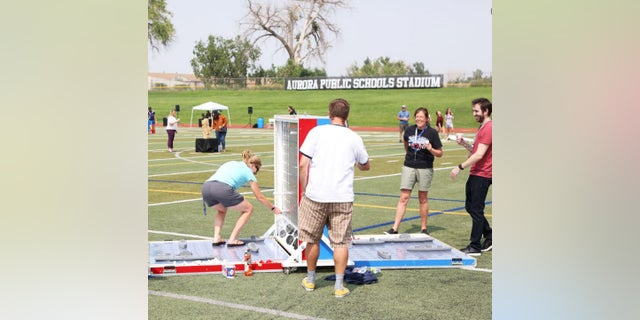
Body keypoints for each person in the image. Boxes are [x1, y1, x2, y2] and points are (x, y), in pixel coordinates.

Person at [298, 98, 370, 299]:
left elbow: (303, 165)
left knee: (311, 239)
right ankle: (339, 286)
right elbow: (365, 164)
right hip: (342, 197)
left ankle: (311, 280)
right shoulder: (354, 137)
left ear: (329, 114)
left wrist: (305, 190)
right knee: (340, 242)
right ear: (347, 117)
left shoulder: (317, 132)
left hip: (316, 195)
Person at [201, 150, 282, 247]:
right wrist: (273, 208)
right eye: (257, 169)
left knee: (222, 210)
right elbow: (259, 197)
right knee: (249, 209)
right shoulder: (249, 172)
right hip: (221, 188)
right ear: (252, 165)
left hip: (206, 187)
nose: (256, 173)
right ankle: (233, 239)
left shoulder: (232, 163)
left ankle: (216, 238)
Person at [385, 107, 443, 235]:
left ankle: (423, 228)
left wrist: (431, 149)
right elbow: (406, 145)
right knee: (403, 197)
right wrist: (411, 156)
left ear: (427, 119)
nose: (419, 119)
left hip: (425, 168)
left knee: (422, 198)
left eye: (421, 117)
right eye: (417, 116)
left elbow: (440, 153)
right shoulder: (410, 130)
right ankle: (394, 228)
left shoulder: (432, 133)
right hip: (409, 166)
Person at [450, 98, 492, 256]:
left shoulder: (488, 128)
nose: (474, 114)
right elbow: (476, 150)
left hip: (483, 173)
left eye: (476, 111)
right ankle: (489, 234)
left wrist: (459, 167)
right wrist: (464, 144)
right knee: (471, 207)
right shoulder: (482, 127)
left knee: (476, 208)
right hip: (477, 172)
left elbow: (480, 155)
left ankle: (475, 245)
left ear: (485, 111)